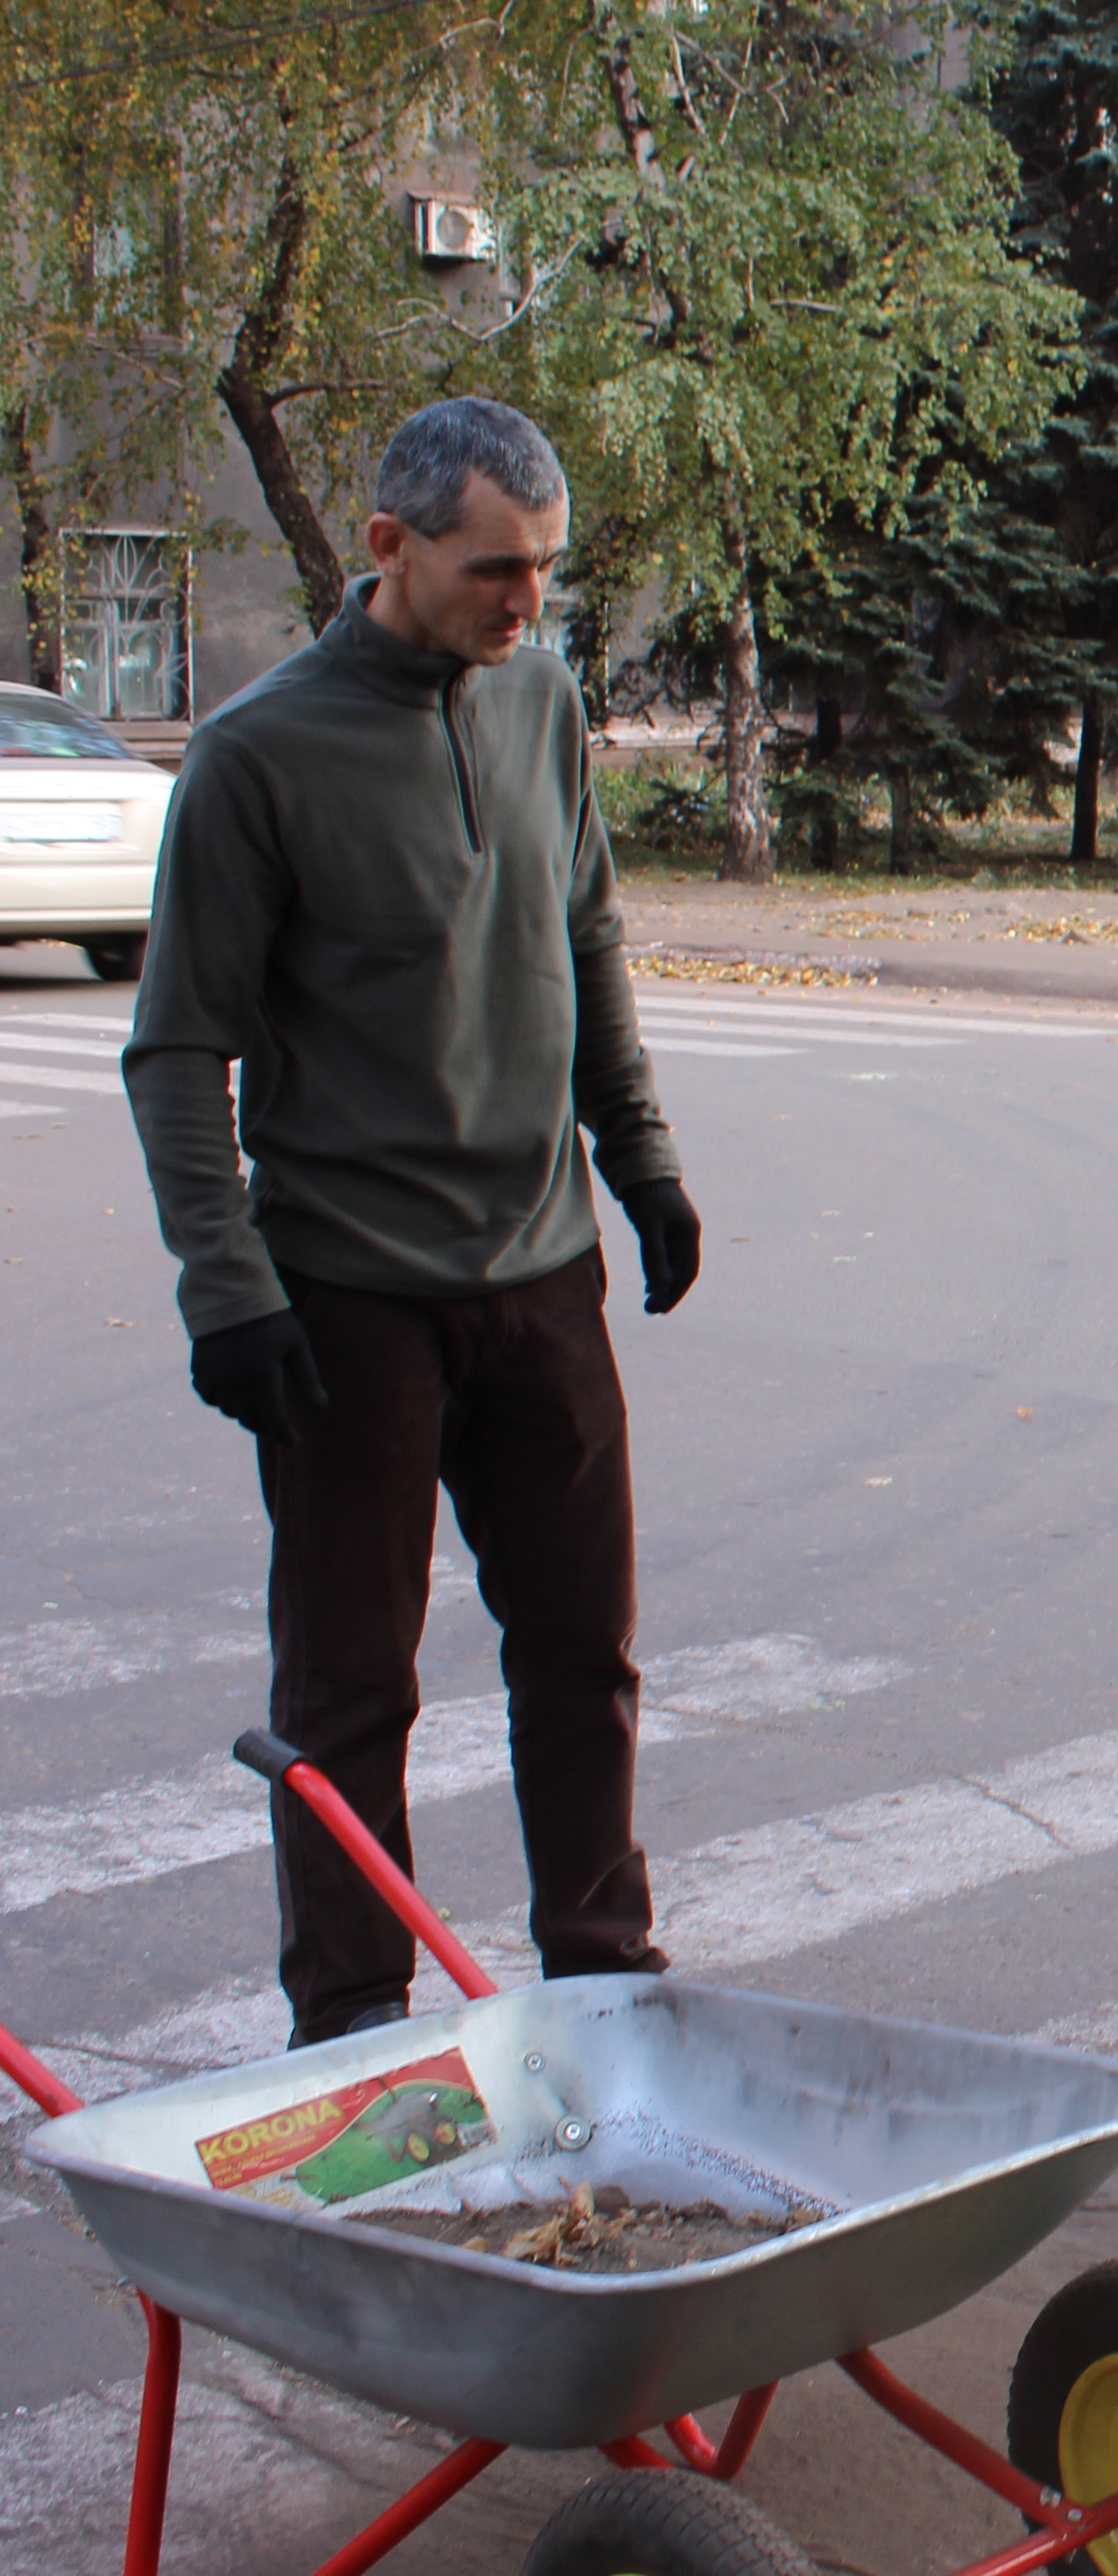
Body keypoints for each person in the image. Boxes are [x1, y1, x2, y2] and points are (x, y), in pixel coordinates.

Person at [122, 396, 699, 2048]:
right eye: (493, 571)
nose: (525, 604)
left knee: (583, 1648)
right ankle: (358, 2018)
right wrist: (224, 1286)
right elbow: (178, 1046)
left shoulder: (539, 697)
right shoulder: (256, 756)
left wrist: (640, 1156)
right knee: (353, 1689)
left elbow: (584, 929)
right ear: (390, 549)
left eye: (546, 573)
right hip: (348, 1299)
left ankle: (600, 1971)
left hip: (542, 1270)